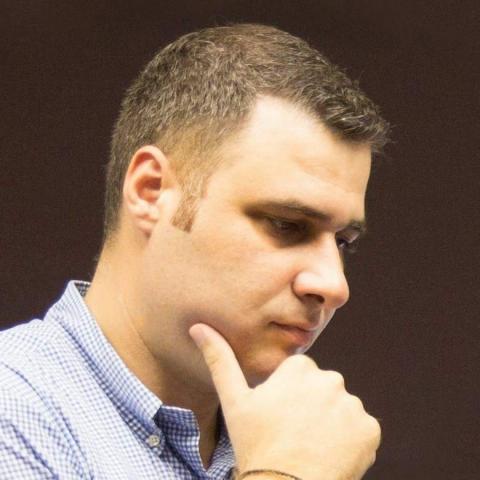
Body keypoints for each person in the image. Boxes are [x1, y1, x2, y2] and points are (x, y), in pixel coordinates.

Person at [0, 23, 389, 479]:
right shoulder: (16, 411)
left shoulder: (300, 439)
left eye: (342, 242)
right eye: (286, 224)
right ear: (150, 191)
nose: (334, 285)